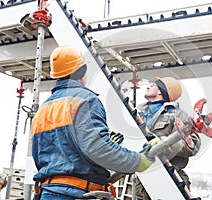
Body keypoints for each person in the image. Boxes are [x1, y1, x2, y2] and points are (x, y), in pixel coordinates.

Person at [30, 46, 160, 200]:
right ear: (83, 70)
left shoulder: (43, 109)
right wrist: (138, 160)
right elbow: (96, 148)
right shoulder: (85, 99)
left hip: (48, 193)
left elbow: (43, 154)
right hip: (78, 194)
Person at [134, 77, 201, 200]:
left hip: (170, 177)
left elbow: (194, 146)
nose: (148, 87)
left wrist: (165, 143)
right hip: (142, 180)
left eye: (153, 85)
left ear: (161, 91)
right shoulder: (136, 112)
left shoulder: (177, 114)